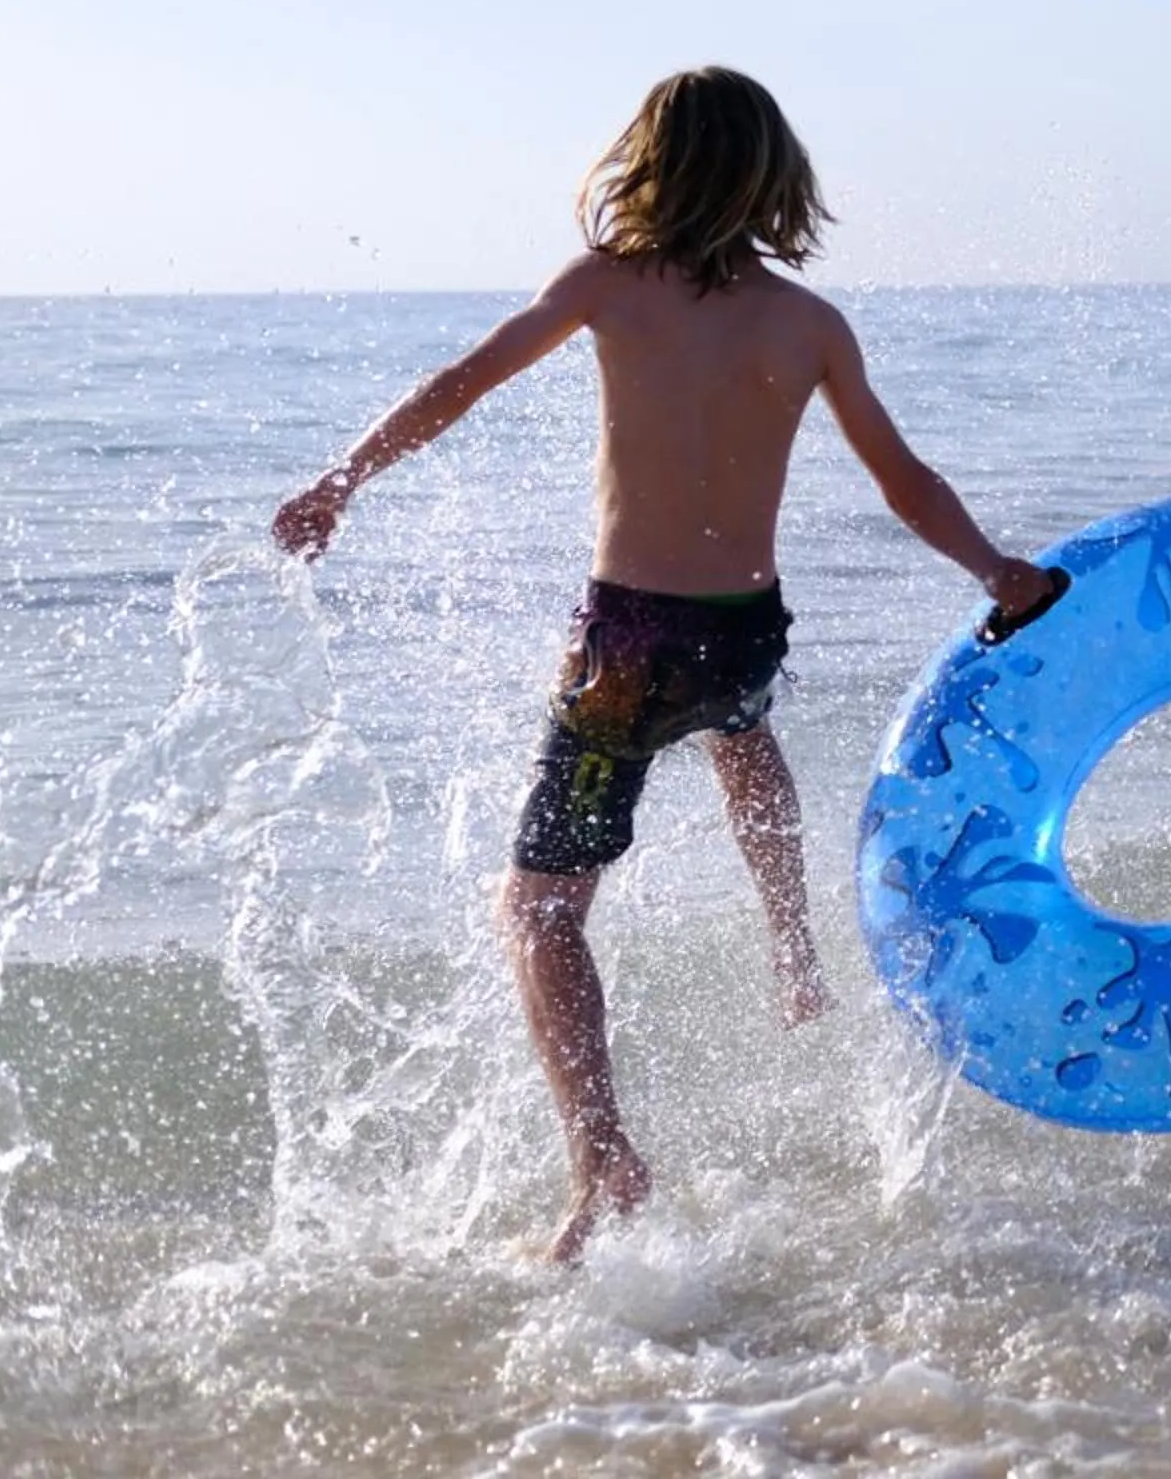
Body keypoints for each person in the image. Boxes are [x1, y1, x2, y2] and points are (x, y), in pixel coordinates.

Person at [272, 65, 1053, 1263]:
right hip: (745, 627)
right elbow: (903, 481)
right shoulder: (808, 324)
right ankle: (790, 941)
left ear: (646, 160)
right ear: (772, 177)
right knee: (742, 733)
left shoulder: (607, 286)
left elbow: (460, 385)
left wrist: (344, 477)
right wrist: (995, 569)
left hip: (626, 642)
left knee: (537, 907)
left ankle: (603, 1160)